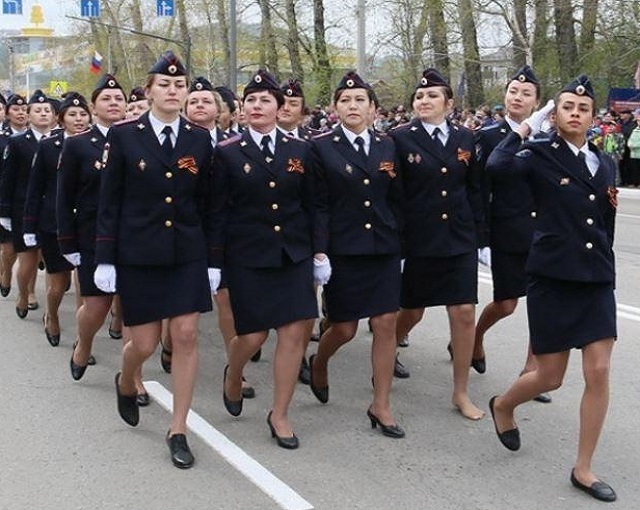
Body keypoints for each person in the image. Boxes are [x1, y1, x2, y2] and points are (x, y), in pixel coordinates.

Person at [487, 75, 618, 502]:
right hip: (553, 277)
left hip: (596, 277)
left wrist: (606, 261)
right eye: (566, 107)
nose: (575, 113)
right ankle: (504, 405)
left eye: (583, 109)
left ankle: (583, 468)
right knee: (550, 377)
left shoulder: (605, 162)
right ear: (555, 115)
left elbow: (606, 221)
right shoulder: (539, 154)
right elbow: (497, 168)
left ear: (592, 117)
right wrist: (527, 126)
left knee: (598, 371)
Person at [94, 51, 215, 469]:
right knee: (143, 343)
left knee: (185, 335)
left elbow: (207, 203)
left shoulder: (200, 139)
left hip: (186, 252)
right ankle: (127, 378)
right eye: (164, 85)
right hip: (138, 253)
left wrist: (212, 258)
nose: (173, 90)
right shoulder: (125, 136)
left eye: (179, 85)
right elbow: (109, 201)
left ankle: (178, 428)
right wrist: (104, 257)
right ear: (149, 91)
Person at [211, 69, 317, 450]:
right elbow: (217, 212)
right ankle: (233, 372)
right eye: (251, 100)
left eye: (265, 100)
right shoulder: (226, 152)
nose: (257, 106)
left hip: (293, 255)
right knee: (253, 336)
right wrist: (215, 264)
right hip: (247, 256)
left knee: (293, 334)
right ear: (243, 108)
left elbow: (312, 205)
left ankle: (280, 414)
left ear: (279, 108)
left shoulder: (300, 150)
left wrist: (318, 252)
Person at [308, 71, 404, 438]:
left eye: (360, 100)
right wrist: (320, 251)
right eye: (345, 101)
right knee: (345, 328)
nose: (352, 105)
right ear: (335, 108)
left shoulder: (388, 145)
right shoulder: (321, 146)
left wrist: (402, 246)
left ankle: (381, 404)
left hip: (382, 246)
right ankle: (320, 360)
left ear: (373, 109)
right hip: (343, 248)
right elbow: (318, 204)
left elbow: (397, 198)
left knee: (384, 324)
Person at [389, 68, 485, 421]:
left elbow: (474, 188)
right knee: (411, 311)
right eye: (419, 96)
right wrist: (397, 245)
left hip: (458, 237)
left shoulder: (465, 138)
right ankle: (385, 357)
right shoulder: (399, 138)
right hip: (419, 238)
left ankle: (460, 391)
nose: (424, 101)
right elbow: (394, 196)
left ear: (449, 102)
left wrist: (481, 237)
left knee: (462, 313)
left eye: (432, 96)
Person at [473, 65, 552, 403]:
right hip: (504, 232)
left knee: (541, 303)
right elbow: (479, 189)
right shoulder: (488, 136)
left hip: (540, 234)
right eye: (513, 92)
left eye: (525, 94)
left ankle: (530, 371)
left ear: (536, 102)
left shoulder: (547, 140)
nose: (517, 97)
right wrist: (483, 238)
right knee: (506, 304)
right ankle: (474, 339)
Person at [183, 75, 255, 399]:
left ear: (220, 109)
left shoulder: (235, 142)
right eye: (193, 101)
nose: (200, 105)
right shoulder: (176, 141)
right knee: (181, 307)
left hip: (226, 231)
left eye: (206, 101)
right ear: (185, 108)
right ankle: (170, 347)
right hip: (185, 230)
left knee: (226, 300)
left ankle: (235, 369)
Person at [57, 74, 127, 377]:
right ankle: (84, 343)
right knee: (97, 307)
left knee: (133, 311)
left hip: (132, 235)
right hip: (92, 236)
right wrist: (67, 243)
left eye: (118, 98)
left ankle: (132, 377)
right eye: (106, 99)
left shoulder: (137, 139)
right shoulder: (78, 145)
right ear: (94, 107)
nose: (113, 103)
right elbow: (64, 198)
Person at [23, 92, 91, 346]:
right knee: (59, 283)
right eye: (72, 114)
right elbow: (35, 187)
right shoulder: (48, 146)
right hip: (54, 224)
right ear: (61, 119)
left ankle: (82, 341)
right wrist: (29, 225)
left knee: (85, 286)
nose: (79, 119)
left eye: (83, 114)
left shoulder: (97, 144)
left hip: (87, 224)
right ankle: (52, 315)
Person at [0, 90, 54, 318]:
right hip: (24, 210)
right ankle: (24, 293)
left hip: (50, 210)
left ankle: (35, 295)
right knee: (27, 259)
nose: (43, 114)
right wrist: (4, 212)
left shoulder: (60, 141)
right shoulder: (18, 142)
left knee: (43, 256)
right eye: (37, 110)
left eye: (47, 110)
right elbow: (8, 179)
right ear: (30, 116)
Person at [0, 94, 28, 298]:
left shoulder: (36, 137)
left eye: (24, 109)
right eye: (16, 109)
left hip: (26, 198)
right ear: (7, 113)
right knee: (9, 249)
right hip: (5, 196)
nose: (20, 113)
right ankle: (7, 271)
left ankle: (28, 293)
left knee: (30, 252)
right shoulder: (4, 138)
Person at [625, 109, 640, 187]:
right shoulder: (634, 130)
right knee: (634, 169)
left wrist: (635, 145)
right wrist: (630, 145)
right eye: (638, 121)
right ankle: (634, 182)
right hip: (633, 153)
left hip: (638, 152)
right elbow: (630, 140)